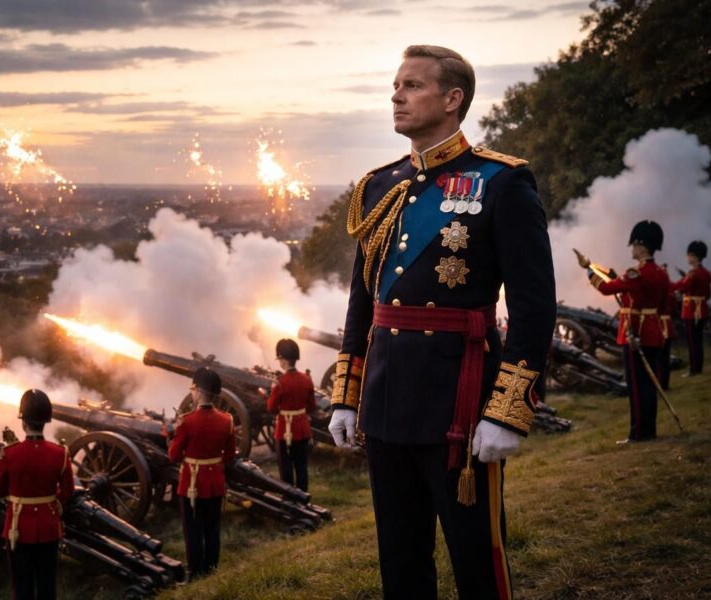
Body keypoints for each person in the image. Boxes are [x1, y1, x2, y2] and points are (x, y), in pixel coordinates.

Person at [328, 45, 556, 599]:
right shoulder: (379, 187)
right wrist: (345, 394)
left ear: (453, 100)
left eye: (412, 86)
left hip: (461, 402)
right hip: (385, 401)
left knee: (477, 559)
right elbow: (364, 302)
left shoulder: (502, 182)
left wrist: (507, 414)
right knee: (400, 562)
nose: (396, 96)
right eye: (396, 85)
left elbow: (533, 308)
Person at [582, 220, 670, 442]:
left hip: (635, 333)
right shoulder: (660, 272)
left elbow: (606, 288)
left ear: (642, 246)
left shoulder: (636, 273)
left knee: (637, 387)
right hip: (653, 330)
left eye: (634, 245)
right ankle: (649, 430)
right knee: (648, 385)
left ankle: (638, 434)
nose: (631, 249)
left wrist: (587, 271)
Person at [0, 389, 75, 600]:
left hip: (18, 530)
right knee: (47, 587)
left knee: (22, 588)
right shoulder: (60, 453)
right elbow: (67, 491)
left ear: (23, 422)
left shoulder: (10, 453)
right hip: (49, 527)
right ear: (46, 422)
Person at [168, 367, 236, 579]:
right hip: (215, 481)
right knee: (212, 528)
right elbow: (230, 455)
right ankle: (211, 570)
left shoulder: (187, 422)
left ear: (197, 391)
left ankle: (195, 572)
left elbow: (173, 456)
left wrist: (170, 435)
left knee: (193, 530)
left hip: (192, 484)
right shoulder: (227, 420)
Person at [263, 338, 316, 492]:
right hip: (302, 428)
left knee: (286, 468)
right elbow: (311, 406)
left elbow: (271, 408)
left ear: (283, 360)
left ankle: (289, 498)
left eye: (279, 359)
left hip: (285, 431)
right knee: (301, 466)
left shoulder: (280, 382)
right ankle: (303, 496)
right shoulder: (307, 379)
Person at [671, 240, 711, 376]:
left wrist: (666, 283)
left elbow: (681, 287)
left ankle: (694, 369)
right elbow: (708, 294)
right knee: (697, 340)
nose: (687, 257)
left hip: (691, 311)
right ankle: (697, 367)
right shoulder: (706, 273)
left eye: (689, 255)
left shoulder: (693, 274)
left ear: (694, 256)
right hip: (702, 309)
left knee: (692, 341)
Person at [656, 262, 676, 390]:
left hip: (658, 326)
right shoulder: (670, 291)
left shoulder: (659, 292)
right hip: (667, 325)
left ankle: (660, 384)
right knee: (664, 357)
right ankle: (664, 383)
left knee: (658, 358)